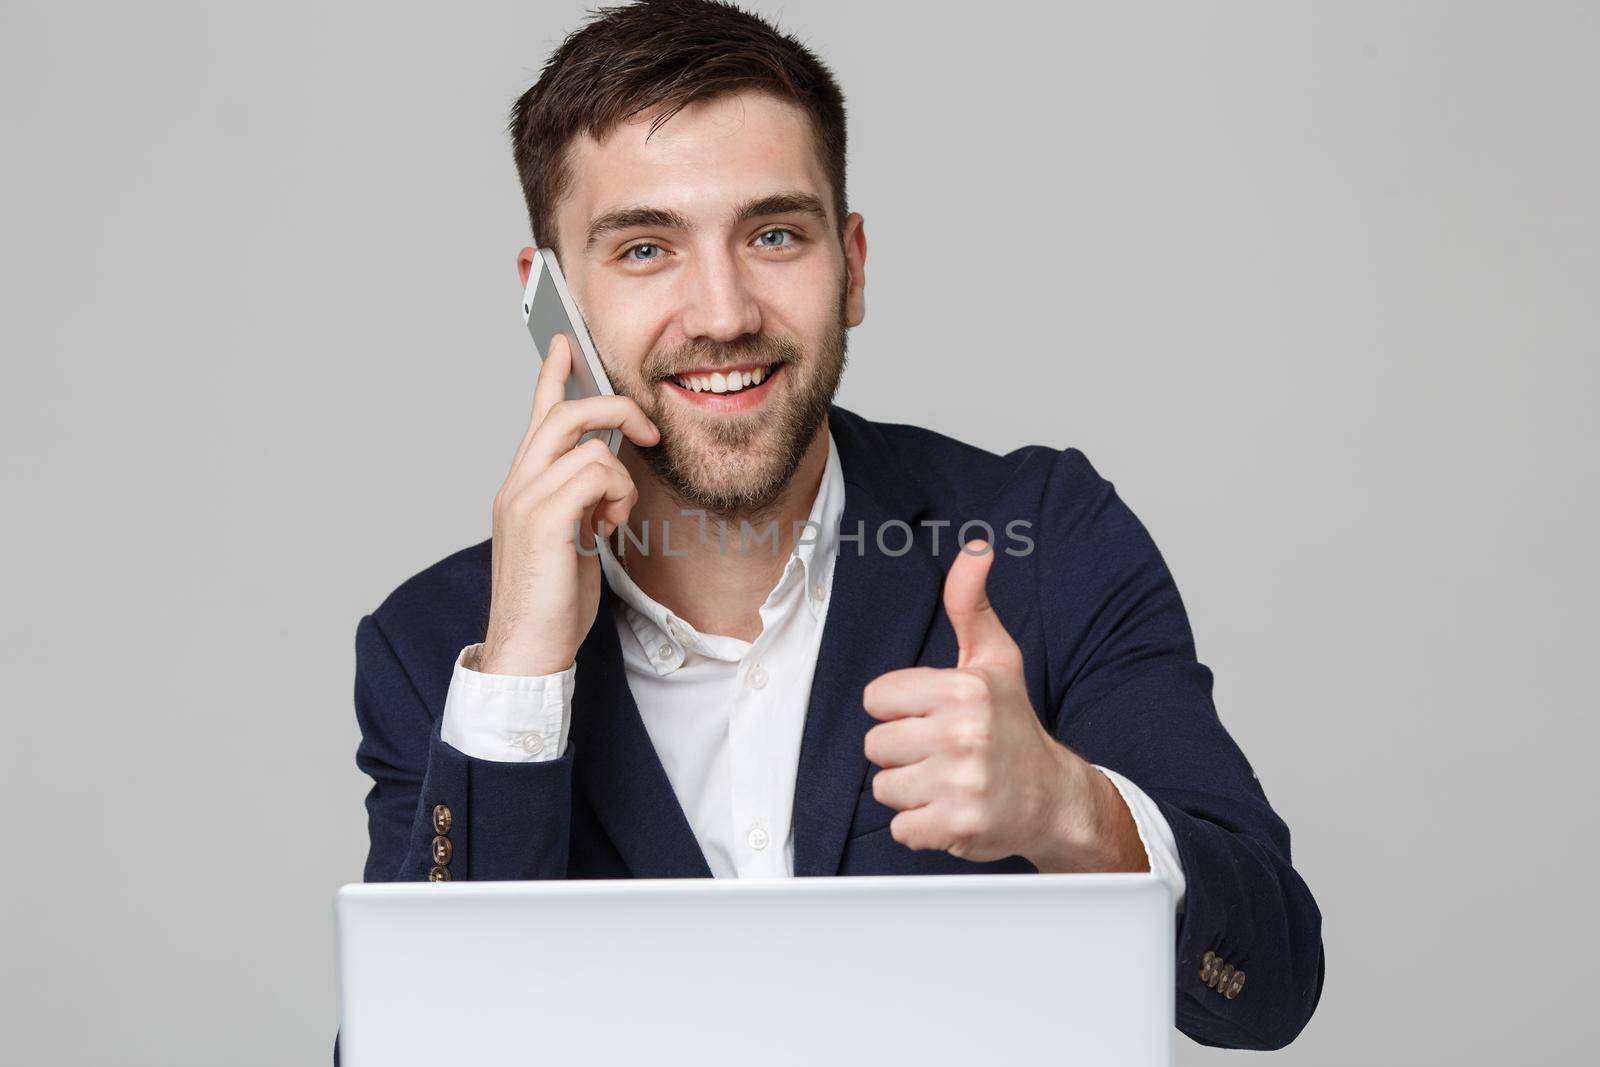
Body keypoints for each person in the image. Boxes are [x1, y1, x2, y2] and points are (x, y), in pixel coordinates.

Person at [349, 0, 1324, 1052]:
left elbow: (1269, 977)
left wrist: (1068, 810)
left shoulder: (1040, 536)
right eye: (644, 248)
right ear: (551, 302)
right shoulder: (437, 647)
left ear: (851, 264)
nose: (722, 312)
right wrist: (521, 685)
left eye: (774, 234)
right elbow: (418, 1047)